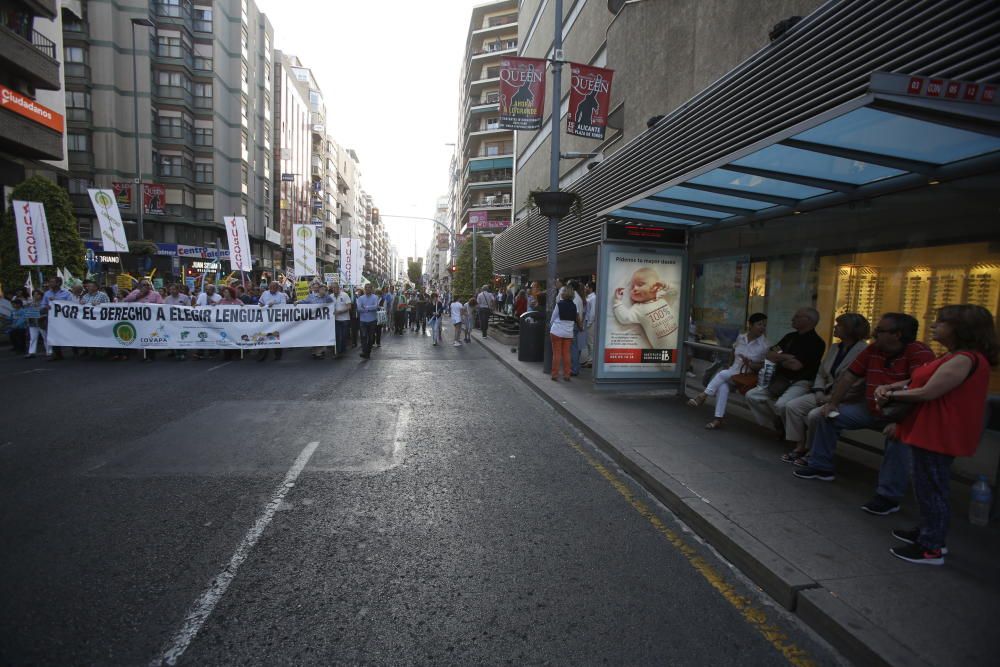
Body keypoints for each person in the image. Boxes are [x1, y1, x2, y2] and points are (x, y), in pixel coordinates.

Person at [876, 305, 997, 565]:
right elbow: (917, 381)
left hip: (940, 431)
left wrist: (890, 395)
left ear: (960, 329)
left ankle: (932, 546)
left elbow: (928, 392)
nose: (933, 326)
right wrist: (893, 386)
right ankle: (926, 530)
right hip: (930, 428)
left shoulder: (965, 359)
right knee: (925, 483)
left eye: (941, 322)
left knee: (932, 486)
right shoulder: (953, 356)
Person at [795, 313, 936, 516]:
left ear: (897, 335)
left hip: (905, 415)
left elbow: (920, 388)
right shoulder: (874, 349)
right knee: (825, 416)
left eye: (880, 330)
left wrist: (900, 423)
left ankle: (888, 497)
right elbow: (849, 376)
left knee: (899, 440)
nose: (875, 333)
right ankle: (820, 466)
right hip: (872, 408)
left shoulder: (919, 352)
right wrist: (833, 403)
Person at [781, 313, 870, 464]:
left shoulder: (863, 351)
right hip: (823, 392)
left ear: (849, 329)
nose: (835, 327)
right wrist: (819, 391)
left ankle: (812, 450)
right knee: (792, 407)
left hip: (845, 397)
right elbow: (822, 373)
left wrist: (832, 399)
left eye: (839, 325)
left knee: (815, 415)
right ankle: (800, 445)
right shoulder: (834, 347)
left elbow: (858, 382)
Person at [745, 308, 826, 438]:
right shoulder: (790, 337)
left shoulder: (816, 342)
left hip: (801, 382)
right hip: (780, 379)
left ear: (809, 321)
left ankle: (794, 435)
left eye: (797, 317)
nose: (793, 318)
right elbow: (770, 354)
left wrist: (780, 358)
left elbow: (796, 366)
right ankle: (776, 424)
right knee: (752, 396)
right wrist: (787, 358)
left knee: (782, 405)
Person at [688, 313, 769, 430]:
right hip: (733, 372)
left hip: (748, 377)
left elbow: (764, 365)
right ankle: (718, 419)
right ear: (750, 325)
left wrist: (751, 364)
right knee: (723, 386)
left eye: (764, 325)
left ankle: (703, 396)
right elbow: (733, 351)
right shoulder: (741, 338)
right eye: (759, 324)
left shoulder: (765, 345)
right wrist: (728, 364)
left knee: (722, 374)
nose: (762, 327)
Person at [612, 267, 678, 349]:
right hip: (663, 351)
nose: (635, 289)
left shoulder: (663, 298)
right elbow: (625, 318)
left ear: (655, 287)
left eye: (640, 285)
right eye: (632, 287)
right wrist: (617, 302)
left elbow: (674, 292)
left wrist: (665, 285)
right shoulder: (638, 308)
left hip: (679, 340)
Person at [41, 277, 78, 361]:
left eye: (52, 282)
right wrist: (46, 307)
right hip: (52, 319)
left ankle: (75, 351)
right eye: (49, 282)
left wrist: (57, 301)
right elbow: (42, 305)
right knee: (53, 335)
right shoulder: (47, 294)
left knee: (70, 334)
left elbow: (71, 305)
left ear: (58, 283)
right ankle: (57, 354)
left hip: (64, 319)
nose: (50, 284)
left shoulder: (66, 293)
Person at [550, 286, 580, 381]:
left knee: (556, 354)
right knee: (567, 354)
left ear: (564, 293)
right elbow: (576, 318)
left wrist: (551, 324)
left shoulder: (559, 304)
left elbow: (553, 317)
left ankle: (555, 374)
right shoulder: (574, 306)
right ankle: (567, 374)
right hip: (568, 333)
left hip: (557, 332)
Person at [299, 284, 332, 358]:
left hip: (323, 321)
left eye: (324, 290)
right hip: (313, 321)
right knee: (314, 336)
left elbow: (332, 304)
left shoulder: (326, 297)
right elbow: (304, 302)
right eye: (321, 289)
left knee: (321, 336)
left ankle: (319, 352)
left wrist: (326, 295)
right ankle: (315, 351)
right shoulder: (311, 296)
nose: (322, 290)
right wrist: (297, 302)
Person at [257, 281, 287, 361]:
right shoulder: (265, 293)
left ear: (277, 288)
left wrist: (274, 305)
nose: (272, 288)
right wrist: (261, 307)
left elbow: (284, 306)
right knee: (264, 335)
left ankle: (278, 355)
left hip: (276, 319)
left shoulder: (281, 295)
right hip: (266, 318)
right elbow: (260, 303)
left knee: (276, 336)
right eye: (271, 286)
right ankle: (262, 355)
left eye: (274, 287)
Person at [164, 284, 191, 360]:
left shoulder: (185, 297)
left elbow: (189, 308)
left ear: (178, 290)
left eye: (174, 289)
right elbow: (164, 309)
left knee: (181, 336)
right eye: (171, 289)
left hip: (182, 321)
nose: (172, 291)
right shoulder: (167, 299)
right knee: (174, 336)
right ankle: (176, 352)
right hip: (171, 321)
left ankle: (182, 352)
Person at [356, 283, 380, 359]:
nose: (367, 289)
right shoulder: (361, 298)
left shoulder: (375, 297)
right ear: (364, 289)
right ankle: (364, 352)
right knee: (363, 336)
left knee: (371, 337)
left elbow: (375, 307)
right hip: (363, 321)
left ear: (372, 289)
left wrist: (365, 307)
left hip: (372, 320)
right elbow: (359, 309)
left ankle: (368, 351)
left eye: (369, 288)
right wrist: (370, 308)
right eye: (366, 288)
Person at [568, 280, 586, 376]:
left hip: (574, 325)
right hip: (576, 325)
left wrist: (580, 326)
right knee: (575, 348)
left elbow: (576, 314)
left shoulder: (575, 297)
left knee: (574, 348)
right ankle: (574, 367)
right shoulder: (577, 297)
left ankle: (574, 369)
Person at [25, 289, 47, 359]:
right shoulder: (30, 303)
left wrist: (41, 315)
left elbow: (46, 312)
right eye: (34, 294)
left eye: (37, 294)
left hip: (41, 322)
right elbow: (28, 313)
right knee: (33, 338)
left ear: (41, 295)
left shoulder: (44, 303)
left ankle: (49, 351)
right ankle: (31, 352)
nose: (36, 296)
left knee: (45, 337)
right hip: (33, 322)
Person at [331, 284, 351, 357]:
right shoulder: (331, 296)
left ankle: (342, 349)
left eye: (335, 287)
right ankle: (339, 352)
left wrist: (340, 311)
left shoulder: (345, 295)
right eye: (332, 288)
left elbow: (349, 306)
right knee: (338, 336)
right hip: (336, 320)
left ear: (339, 288)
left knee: (344, 336)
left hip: (345, 319)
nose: (334, 289)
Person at [581, 282, 598, 368]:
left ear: (591, 288)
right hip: (589, 322)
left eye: (587, 286)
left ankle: (591, 361)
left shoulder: (593, 298)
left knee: (591, 342)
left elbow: (592, 312)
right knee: (589, 342)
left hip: (591, 323)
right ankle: (589, 359)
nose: (585, 288)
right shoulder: (589, 297)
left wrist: (589, 323)